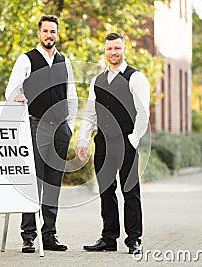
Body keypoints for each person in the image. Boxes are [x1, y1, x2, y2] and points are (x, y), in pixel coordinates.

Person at [5, 15, 77, 253]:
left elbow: (72, 94)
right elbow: (10, 90)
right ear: (39, 33)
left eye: (53, 32)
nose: (49, 35)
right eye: (45, 31)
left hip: (60, 129)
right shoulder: (27, 59)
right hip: (36, 126)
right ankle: (28, 236)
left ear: (57, 34)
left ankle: (50, 235)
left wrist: (71, 126)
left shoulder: (64, 61)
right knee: (33, 182)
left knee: (54, 183)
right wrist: (17, 98)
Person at [76, 33, 150, 254]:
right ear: (105, 51)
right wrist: (82, 140)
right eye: (109, 49)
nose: (113, 52)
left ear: (124, 49)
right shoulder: (97, 81)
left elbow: (142, 113)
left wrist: (133, 139)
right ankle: (108, 238)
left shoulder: (136, 78)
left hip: (126, 141)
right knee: (106, 191)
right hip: (103, 143)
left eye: (117, 48)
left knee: (130, 191)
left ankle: (134, 239)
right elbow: (90, 113)